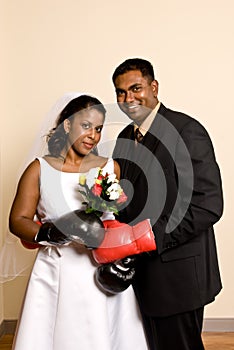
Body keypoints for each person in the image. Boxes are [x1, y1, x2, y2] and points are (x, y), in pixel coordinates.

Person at [9, 93, 150, 350]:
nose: (93, 136)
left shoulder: (110, 167)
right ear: (67, 125)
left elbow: (124, 219)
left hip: (103, 270)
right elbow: (18, 220)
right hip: (58, 268)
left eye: (98, 129)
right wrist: (52, 233)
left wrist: (125, 251)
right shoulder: (39, 168)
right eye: (86, 126)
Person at [111, 58, 223, 350]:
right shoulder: (125, 137)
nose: (128, 98)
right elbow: (126, 198)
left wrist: (148, 238)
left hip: (178, 276)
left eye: (135, 88)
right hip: (140, 275)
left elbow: (208, 204)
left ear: (154, 87)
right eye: (120, 93)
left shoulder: (186, 130)